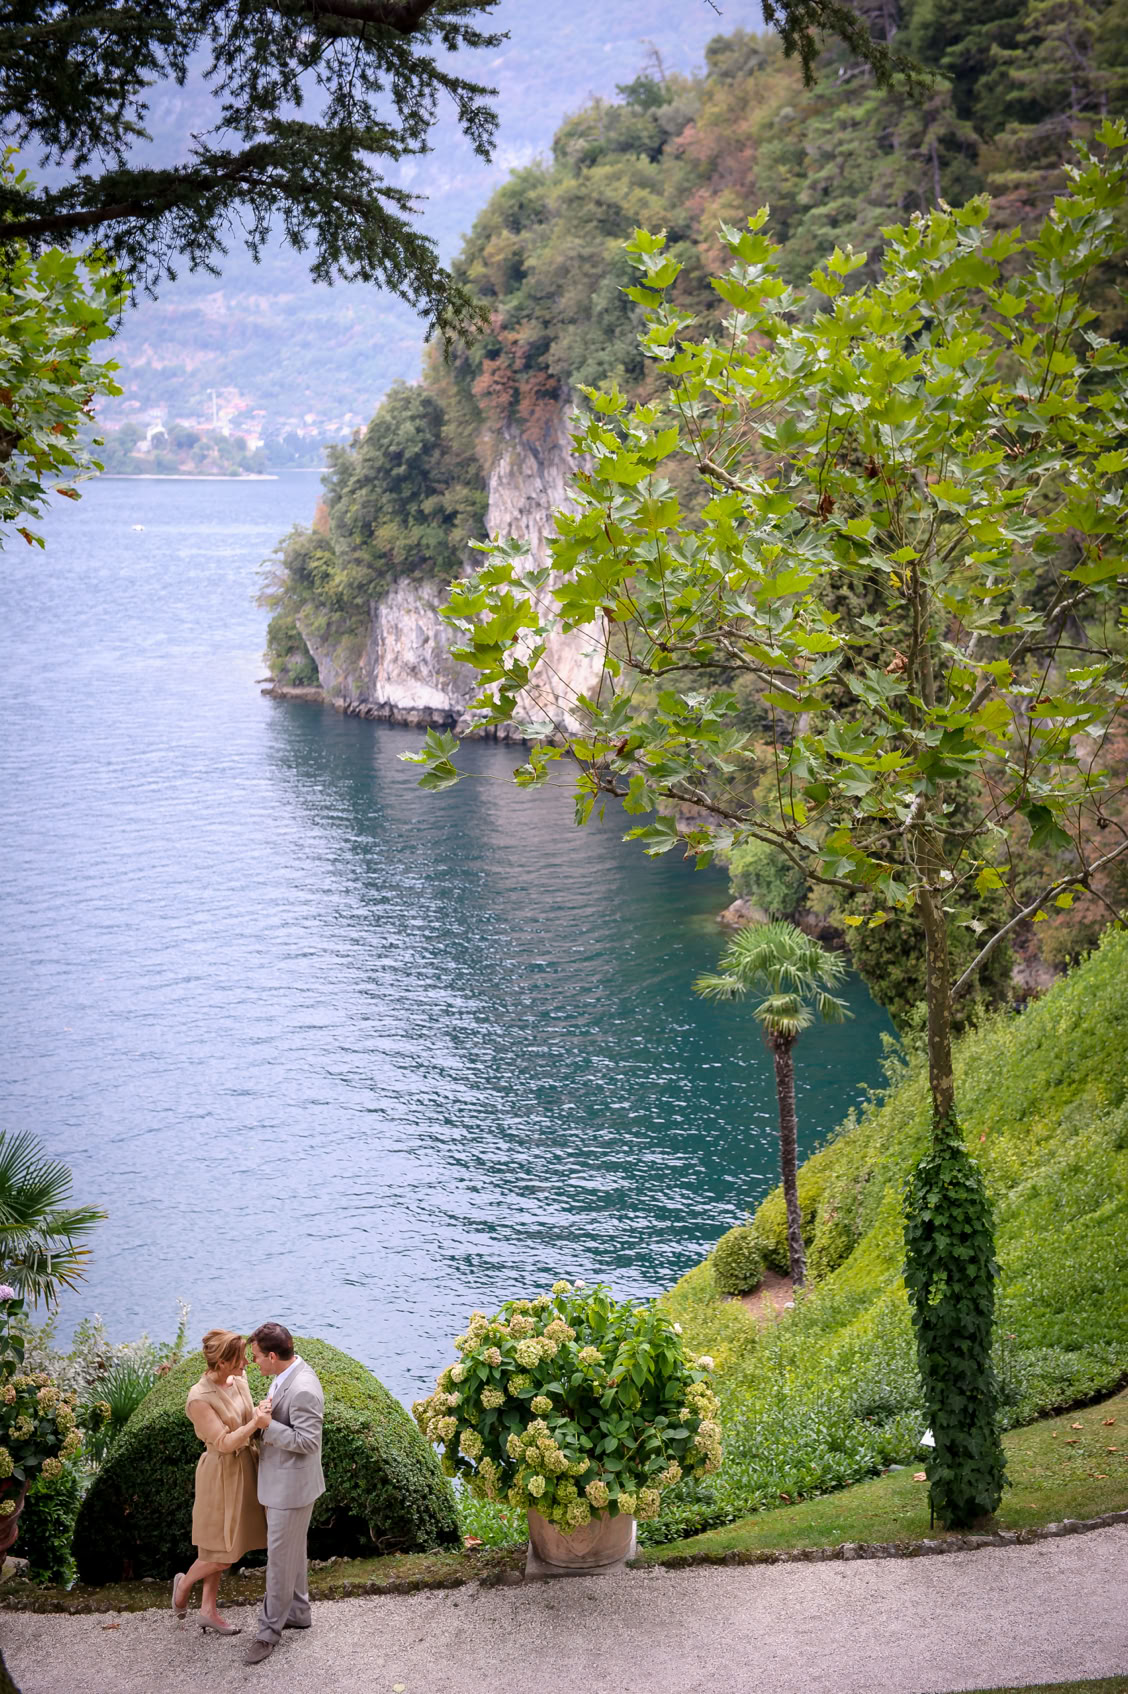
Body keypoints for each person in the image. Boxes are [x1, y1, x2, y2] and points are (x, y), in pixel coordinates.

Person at [172, 1329, 268, 1635]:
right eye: (241, 1359)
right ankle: (184, 1584)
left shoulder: (238, 1380)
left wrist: (261, 1412)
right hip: (220, 1473)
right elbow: (224, 1442)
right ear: (224, 1362)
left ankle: (207, 1610)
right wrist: (255, 1422)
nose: (247, 1364)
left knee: (219, 1545)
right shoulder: (198, 1398)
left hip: (246, 1468)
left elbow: (247, 1418)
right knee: (223, 1551)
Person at [243, 1321, 325, 1666]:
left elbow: (309, 1442)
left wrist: (267, 1426)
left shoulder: (304, 1387)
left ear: (273, 1356)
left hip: (290, 1489)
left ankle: (268, 1632)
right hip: (286, 1485)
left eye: (257, 1357)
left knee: (278, 1560)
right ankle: (298, 1612)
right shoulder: (288, 1375)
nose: (253, 1363)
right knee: (292, 1551)